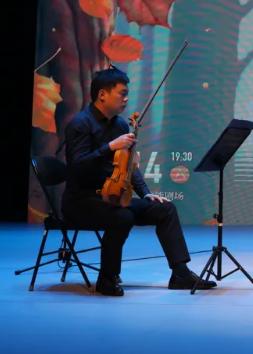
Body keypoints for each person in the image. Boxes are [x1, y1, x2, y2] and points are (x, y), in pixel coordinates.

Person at [61, 67, 216, 296]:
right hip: (82, 201)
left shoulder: (120, 126)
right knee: (122, 216)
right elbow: (77, 166)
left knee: (165, 209)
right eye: (122, 94)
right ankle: (107, 277)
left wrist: (145, 193)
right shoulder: (80, 124)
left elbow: (129, 167)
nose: (126, 99)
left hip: (113, 197)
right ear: (102, 94)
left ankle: (181, 273)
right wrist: (109, 147)